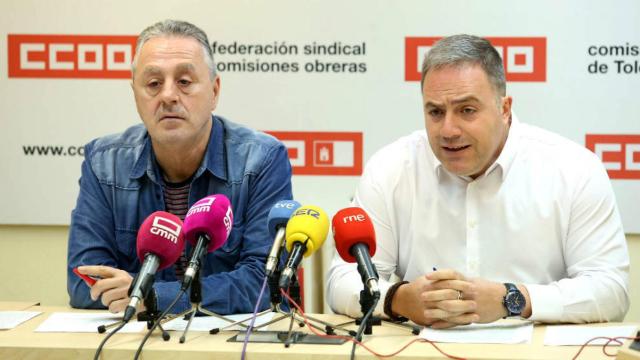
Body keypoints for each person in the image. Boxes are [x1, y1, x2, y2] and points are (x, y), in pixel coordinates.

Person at [327, 34, 629, 328]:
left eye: (466, 110)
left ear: (505, 109)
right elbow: (342, 281)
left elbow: (611, 290)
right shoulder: (391, 168)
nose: (448, 129)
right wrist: (398, 299)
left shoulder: (573, 169)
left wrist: (512, 299)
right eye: (435, 111)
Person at [67, 20, 293, 315]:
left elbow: (265, 283)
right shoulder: (104, 162)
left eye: (184, 82)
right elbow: (84, 279)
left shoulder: (262, 160)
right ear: (135, 93)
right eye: (153, 84)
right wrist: (141, 295)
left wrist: (152, 295)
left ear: (214, 91)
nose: (168, 96)